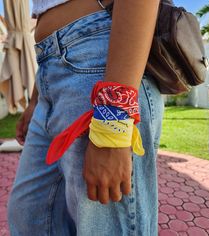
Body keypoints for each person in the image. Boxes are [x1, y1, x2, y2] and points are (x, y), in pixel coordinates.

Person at [8, 0, 164, 235]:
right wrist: (35, 99)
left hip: (101, 57)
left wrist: (113, 123)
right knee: (29, 216)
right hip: (48, 65)